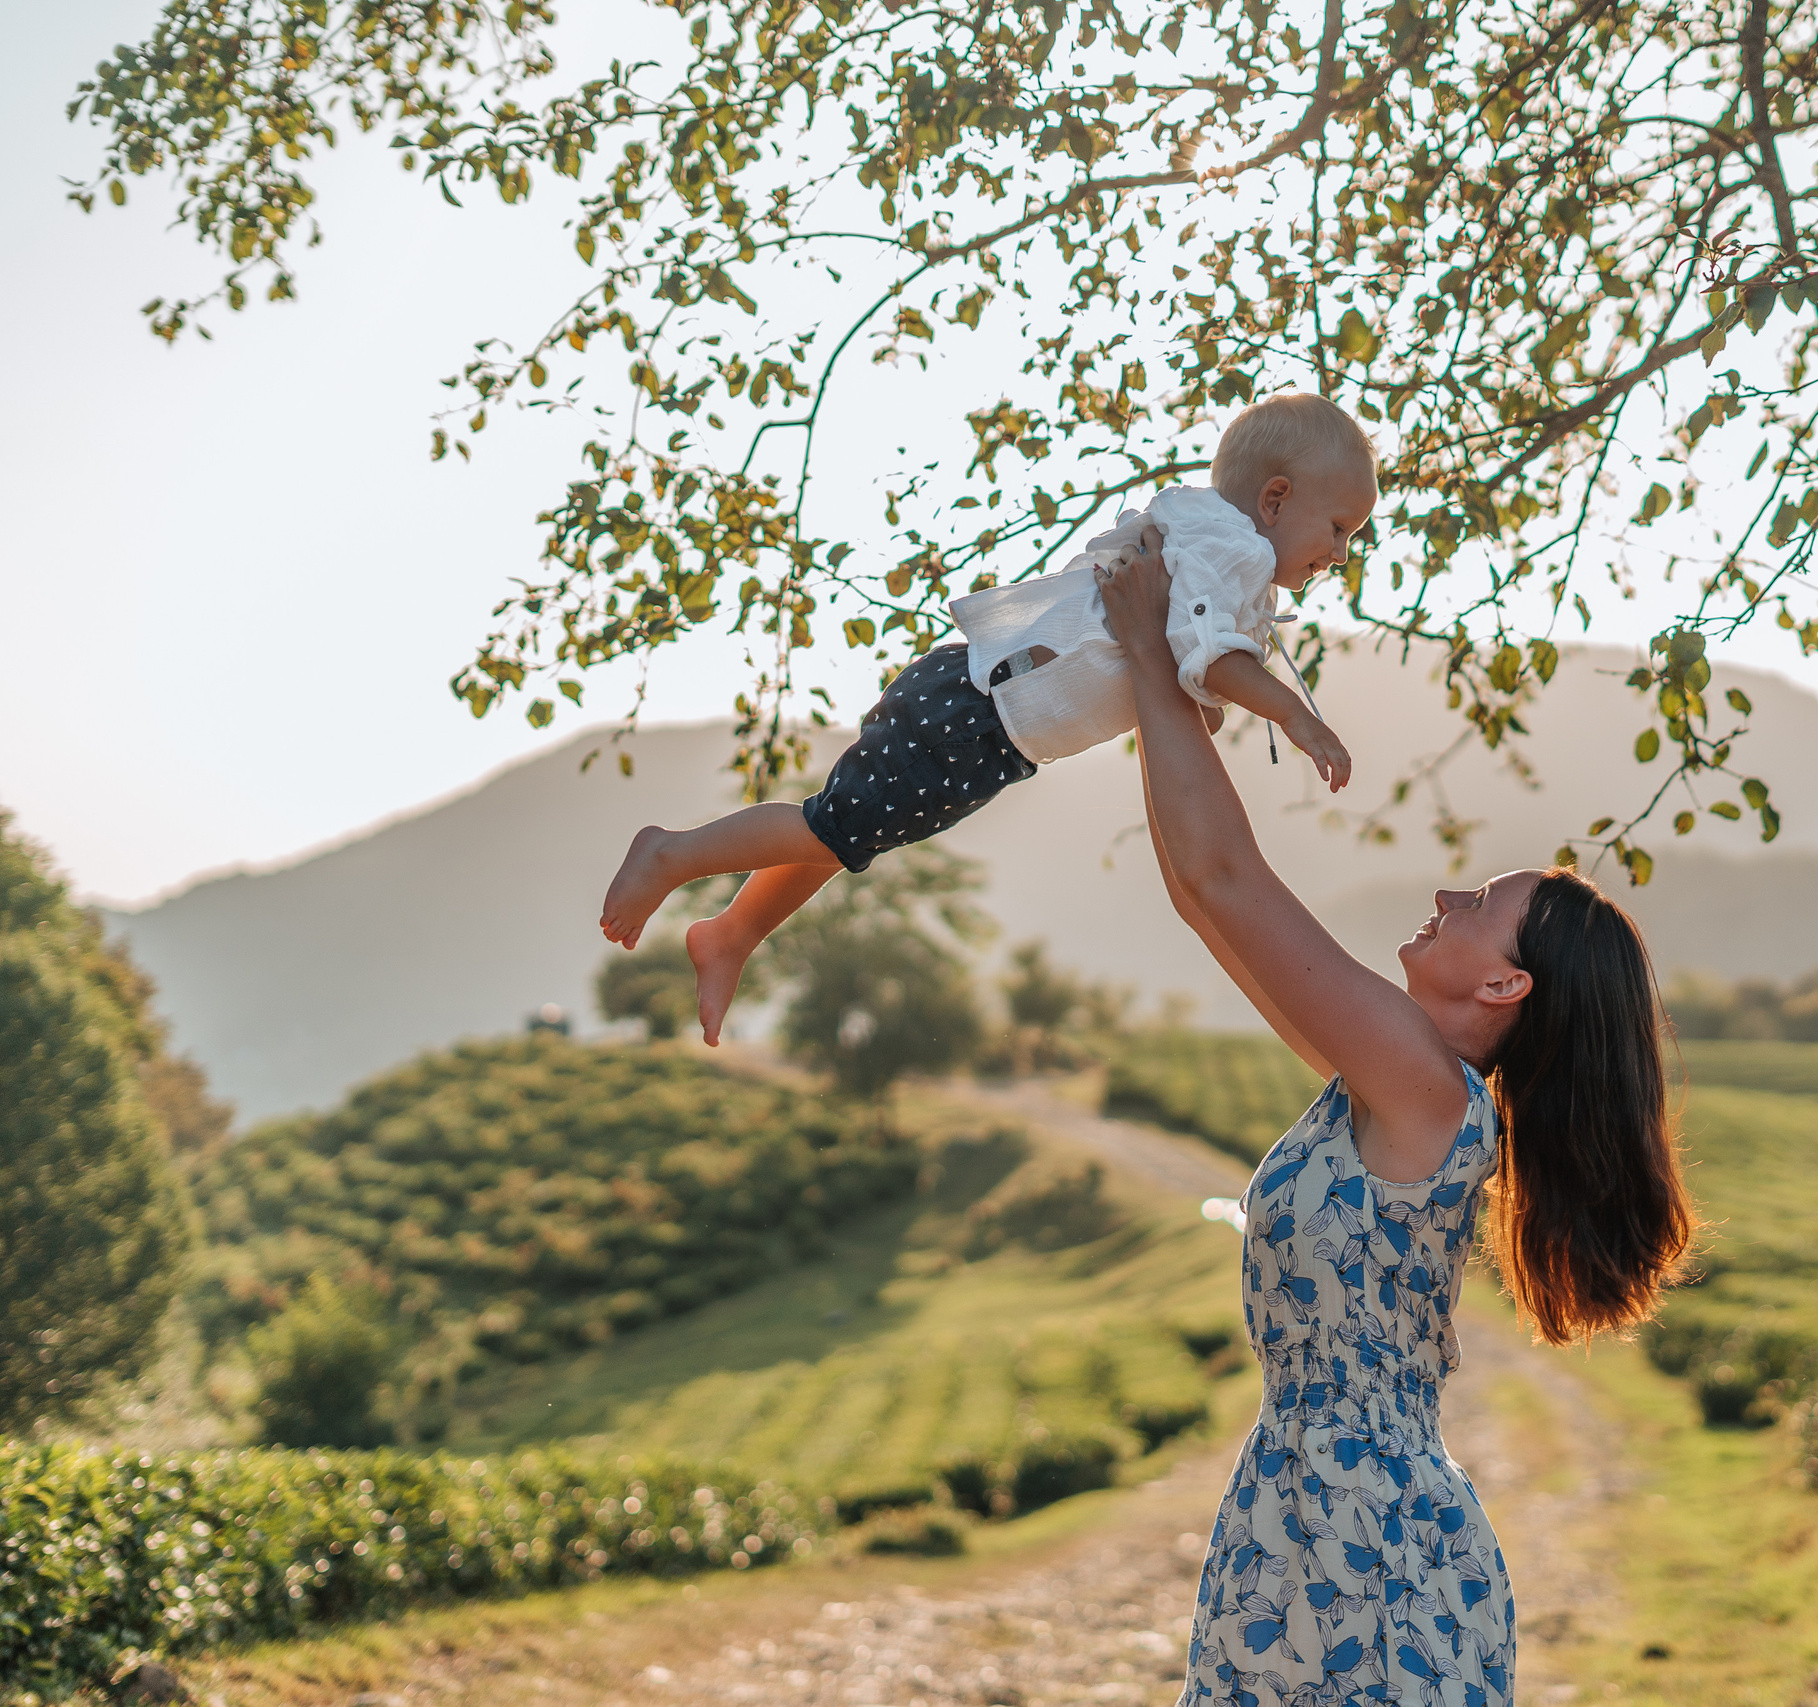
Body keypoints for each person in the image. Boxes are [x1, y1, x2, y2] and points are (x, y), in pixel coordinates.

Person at [1094, 539, 1696, 1706]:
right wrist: (1155, 690)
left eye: (1478, 902)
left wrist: (1153, 659)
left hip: (1362, 1545)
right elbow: (1197, 893)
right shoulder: (1388, 1082)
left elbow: (1227, 881)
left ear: (1505, 988)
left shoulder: (1422, 1089)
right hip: (1319, 1519)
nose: (1444, 895)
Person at [595, 392, 1377, 1044]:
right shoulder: (1232, 550)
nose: (1340, 553)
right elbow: (1210, 658)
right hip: (980, 712)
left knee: (849, 830)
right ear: (1274, 499)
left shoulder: (1214, 544)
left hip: (986, 717)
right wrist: (1302, 720)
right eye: (1339, 528)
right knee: (836, 827)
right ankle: (673, 855)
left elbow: (1183, 669)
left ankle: (732, 933)